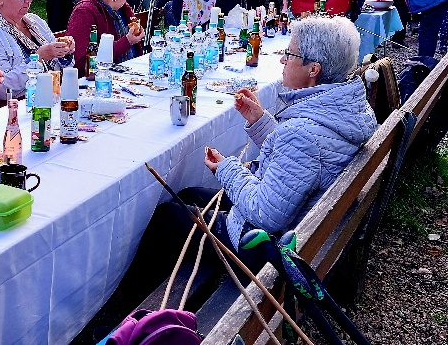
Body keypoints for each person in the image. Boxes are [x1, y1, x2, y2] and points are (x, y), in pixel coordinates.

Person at [128, 16, 376, 284]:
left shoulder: (303, 133)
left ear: (313, 69)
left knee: (167, 218)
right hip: (303, 222)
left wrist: (226, 168)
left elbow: (266, 213)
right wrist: (260, 122)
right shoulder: (341, 108)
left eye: (289, 54)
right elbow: (304, 159)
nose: (282, 60)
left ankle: (141, 314)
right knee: (188, 194)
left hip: (266, 245)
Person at [68, 0, 146, 76]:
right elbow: (80, 63)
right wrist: (127, 41)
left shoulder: (122, 8)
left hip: (129, 77)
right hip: (100, 84)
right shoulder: (84, 12)